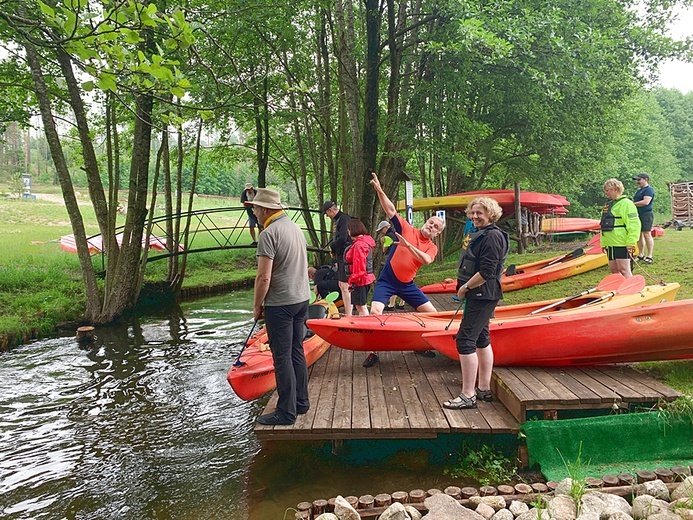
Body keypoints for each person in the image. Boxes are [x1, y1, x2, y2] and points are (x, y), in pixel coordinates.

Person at [364, 172, 445, 367]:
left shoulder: (431, 247)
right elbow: (390, 210)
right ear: (426, 221)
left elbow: (425, 260)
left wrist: (408, 246)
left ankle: (420, 344)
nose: (431, 226)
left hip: (407, 285)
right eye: (430, 222)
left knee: (432, 314)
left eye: (435, 227)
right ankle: (373, 351)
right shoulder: (408, 229)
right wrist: (380, 190)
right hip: (387, 281)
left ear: (437, 233)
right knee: (375, 311)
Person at [249, 188, 311, 426]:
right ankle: (301, 402)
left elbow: (263, 277)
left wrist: (257, 305)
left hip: (281, 304)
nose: (254, 212)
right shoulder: (295, 227)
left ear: (265, 209)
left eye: (255, 208)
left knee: (282, 357)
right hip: (301, 300)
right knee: (297, 350)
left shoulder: (268, 233)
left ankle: (286, 412)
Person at [443, 197, 509, 410]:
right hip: (479, 294)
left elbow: (487, 272)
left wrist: (465, 288)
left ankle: (468, 395)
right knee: (481, 338)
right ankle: (483, 388)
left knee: (465, 340)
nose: (474, 217)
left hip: (482, 294)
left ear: (490, 214)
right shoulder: (478, 234)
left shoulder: (493, 237)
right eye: (472, 213)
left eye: (479, 213)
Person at [600, 178, 641, 279]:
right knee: (614, 271)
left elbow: (634, 225)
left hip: (622, 242)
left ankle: (632, 290)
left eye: (607, 190)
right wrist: (604, 243)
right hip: (611, 243)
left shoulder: (627, 204)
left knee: (624, 269)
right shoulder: (609, 205)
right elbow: (604, 226)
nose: (606, 193)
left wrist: (631, 242)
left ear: (615, 189)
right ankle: (619, 290)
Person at [322, 200, 353, 315]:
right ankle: (347, 311)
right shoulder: (337, 220)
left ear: (330, 210)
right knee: (341, 285)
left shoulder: (344, 219)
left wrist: (332, 246)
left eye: (327, 213)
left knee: (345, 286)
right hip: (339, 256)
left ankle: (349, 314)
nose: (327, 216)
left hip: (345, 256)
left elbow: (344, 238)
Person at [344, 219, 377, 316]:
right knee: (362, 305)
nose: (348, 232)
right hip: (365, 278)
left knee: (360, 306)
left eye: (349, 230)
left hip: (360, 280)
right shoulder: (365, 242)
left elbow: (359, 267)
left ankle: (365, 327)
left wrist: (352, 281)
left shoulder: (359, 245)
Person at [375, 220, 405, 311]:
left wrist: (382, 243)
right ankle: (401, 303)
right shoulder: (397, 234)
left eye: (381, 230)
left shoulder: (387, 236)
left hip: (392, 261)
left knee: (392, 281)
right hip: (402, 259)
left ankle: (391, 304)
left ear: (386, 228)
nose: (381, 232)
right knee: (402, 282)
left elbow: (384, 250)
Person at [633, 172, 655, 264]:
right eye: (637, 180)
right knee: (639, 235)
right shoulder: (639, 191)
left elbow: (646, 202)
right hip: (638, 214)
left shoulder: (649, 190)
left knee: (647, 234)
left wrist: (632, 204)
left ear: (645, 179)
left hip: (646, 214)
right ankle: (641, 255)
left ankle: (650, 255)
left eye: (639, 180)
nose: (637, 182)